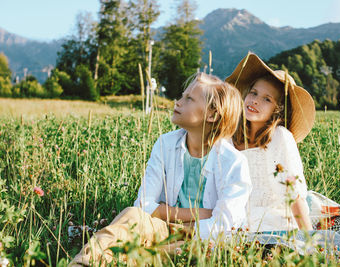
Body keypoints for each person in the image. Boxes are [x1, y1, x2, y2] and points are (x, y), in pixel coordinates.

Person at [69, 73, 252, 266]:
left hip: (205, 241)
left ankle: (122, 257)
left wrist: (168, 216)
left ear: (212, 114)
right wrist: (198, 213)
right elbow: (142, 204)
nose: (177, 102)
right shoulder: (166, 143)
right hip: (165, 228)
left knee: (150, 253)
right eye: (182, 96)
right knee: (132, 215)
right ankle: (81, 263)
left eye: (189, 99)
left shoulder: (233, 162)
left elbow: (223, 227)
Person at [226, 53, 316, 232]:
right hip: (233, 218)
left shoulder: (279, 137)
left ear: (277, 111)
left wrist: (308, 238)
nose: (255, 101)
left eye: (267, 99)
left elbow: (292, 192)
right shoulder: (229, 136)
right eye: (253, 93)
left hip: (272, 219)